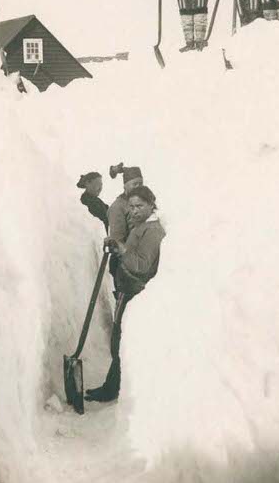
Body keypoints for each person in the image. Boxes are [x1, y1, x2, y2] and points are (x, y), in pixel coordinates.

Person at [86, 185, 166, 403]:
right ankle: (112, 386)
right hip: (126, 290)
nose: (134, 211)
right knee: (117, 340)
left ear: (151, 205)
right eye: (131, 207)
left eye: (139, 206)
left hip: (134, 292)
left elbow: (142, 265)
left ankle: (113, 389)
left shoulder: (153, 231)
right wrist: (117, 245)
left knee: (120, 341)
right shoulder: (141, 226)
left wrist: (122, 250)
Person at [105, 163, 144, 280]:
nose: (138, 187)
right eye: (134, 184)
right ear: (125, 186)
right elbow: (117, 242)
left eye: (140, 184)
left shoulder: (142, 203)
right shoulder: (118, 207)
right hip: (125, 266)